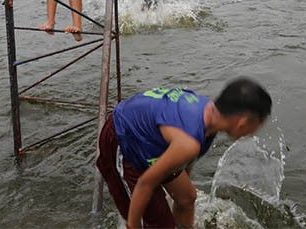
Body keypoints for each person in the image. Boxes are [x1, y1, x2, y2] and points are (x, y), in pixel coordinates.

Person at [96, 78, 272, 229]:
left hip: (153, 138)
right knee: (160, 224)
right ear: (243, 122)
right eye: (256, 126)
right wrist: (133, 226)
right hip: (123, 140)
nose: (252, 133)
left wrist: (178, 185)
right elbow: (144, 183)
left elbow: (186, 162)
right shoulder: (188, 141)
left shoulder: (209, 114)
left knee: (187, 198)